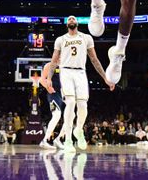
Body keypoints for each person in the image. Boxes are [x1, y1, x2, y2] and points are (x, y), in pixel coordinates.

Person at [43, 15, 115, 153]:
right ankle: (68, 139)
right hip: (66, 72)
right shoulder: (60, 40)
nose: (71, 19)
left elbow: (94, 59)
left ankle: (78, 130)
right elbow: (53, 61)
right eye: (69, 19)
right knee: (70, 103)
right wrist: (49, 78)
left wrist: (105, 77)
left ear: (77, 23)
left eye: (73, 18)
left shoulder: (86, 38)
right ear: (66, 24)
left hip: (81, 72)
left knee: (83, 105)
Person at [38, 61, 64, 149]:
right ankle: (45, 140)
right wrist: (48, 87)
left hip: (64, 95)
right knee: (57, 115)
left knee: (71, 116)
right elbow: (41, 79)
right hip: (53, 94)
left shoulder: (66, 66)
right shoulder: (49, 65)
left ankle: (59, 139)